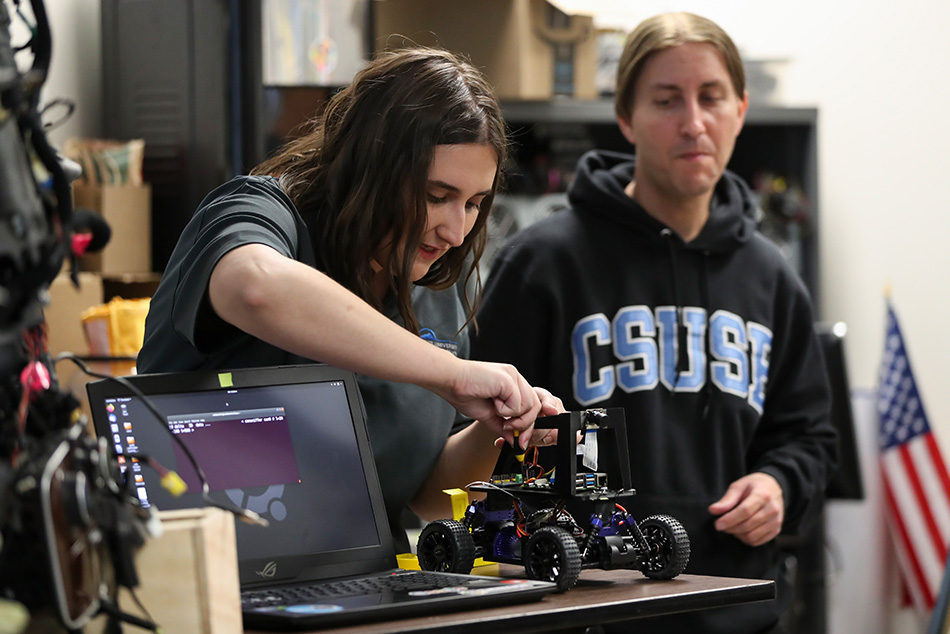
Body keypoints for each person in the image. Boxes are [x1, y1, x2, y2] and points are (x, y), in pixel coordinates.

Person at [470, 12, 837, 634]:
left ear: (741, 109)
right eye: (667, 100)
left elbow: (810, 438)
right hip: (580, 613)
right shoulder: (541, 264)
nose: (694, 123)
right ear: (626, 117)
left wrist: (779, 485)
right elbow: (477, 439)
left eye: (711, 97)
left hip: (736, 609)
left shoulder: (772, 278)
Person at [137, 47, 562, 550]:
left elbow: (424, 495)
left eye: (473, 203)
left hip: (353, 581)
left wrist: (500, 434)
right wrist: (451, 374)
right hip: (203, 574)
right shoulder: (259, 213)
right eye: (435, 196)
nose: (455, 230)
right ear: (369, 168)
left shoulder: (436, 288)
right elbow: (254, 288)